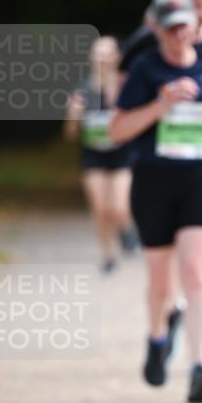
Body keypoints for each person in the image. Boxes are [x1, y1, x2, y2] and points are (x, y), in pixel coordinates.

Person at [110, 0, 202, 403]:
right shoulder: (145, 68)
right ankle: (157, 336)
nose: (179, 33)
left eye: (185, 24)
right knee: (161, 281)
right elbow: (118, 130)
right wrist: (159, 106)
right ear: (158, 30)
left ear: (196, 26)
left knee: (197, 271)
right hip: (154, 181)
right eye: (171, 27)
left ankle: (200, 368)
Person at [64, 36, 138, 273]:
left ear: (117, 57)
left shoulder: (126, 86)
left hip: (122, 154)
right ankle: (108, 254)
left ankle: (127, 230)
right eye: (98, 52)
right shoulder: (83, 90)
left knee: (118, 207)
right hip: (93, 155)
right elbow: (70, 134)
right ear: (91, 57)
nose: (102, 57)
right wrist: (73, 114)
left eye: (107, 53)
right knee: (100, 208)